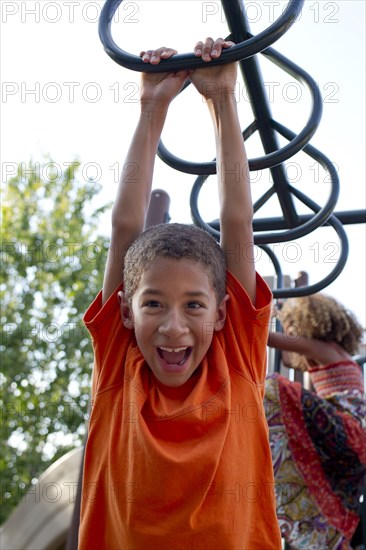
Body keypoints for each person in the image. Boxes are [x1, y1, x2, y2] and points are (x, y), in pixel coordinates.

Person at [78, 38, 282, 549]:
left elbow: (238, 221)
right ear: (124, 311)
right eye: (152, 304)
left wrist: (224, 100)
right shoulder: (119, 366)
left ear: (220, 314)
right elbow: (125, 227)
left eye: (194, 304)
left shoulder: (234, 359)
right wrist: (151, 106)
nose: (173, 326)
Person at [266, 293, 366, 549]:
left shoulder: (320, 348)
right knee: (326, 482)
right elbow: (290, 358)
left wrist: (264, 313)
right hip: (353, 434)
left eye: (292, 326)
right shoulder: (337, 352)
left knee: (274, 388)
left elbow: (269, 339)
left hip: (348, 428)